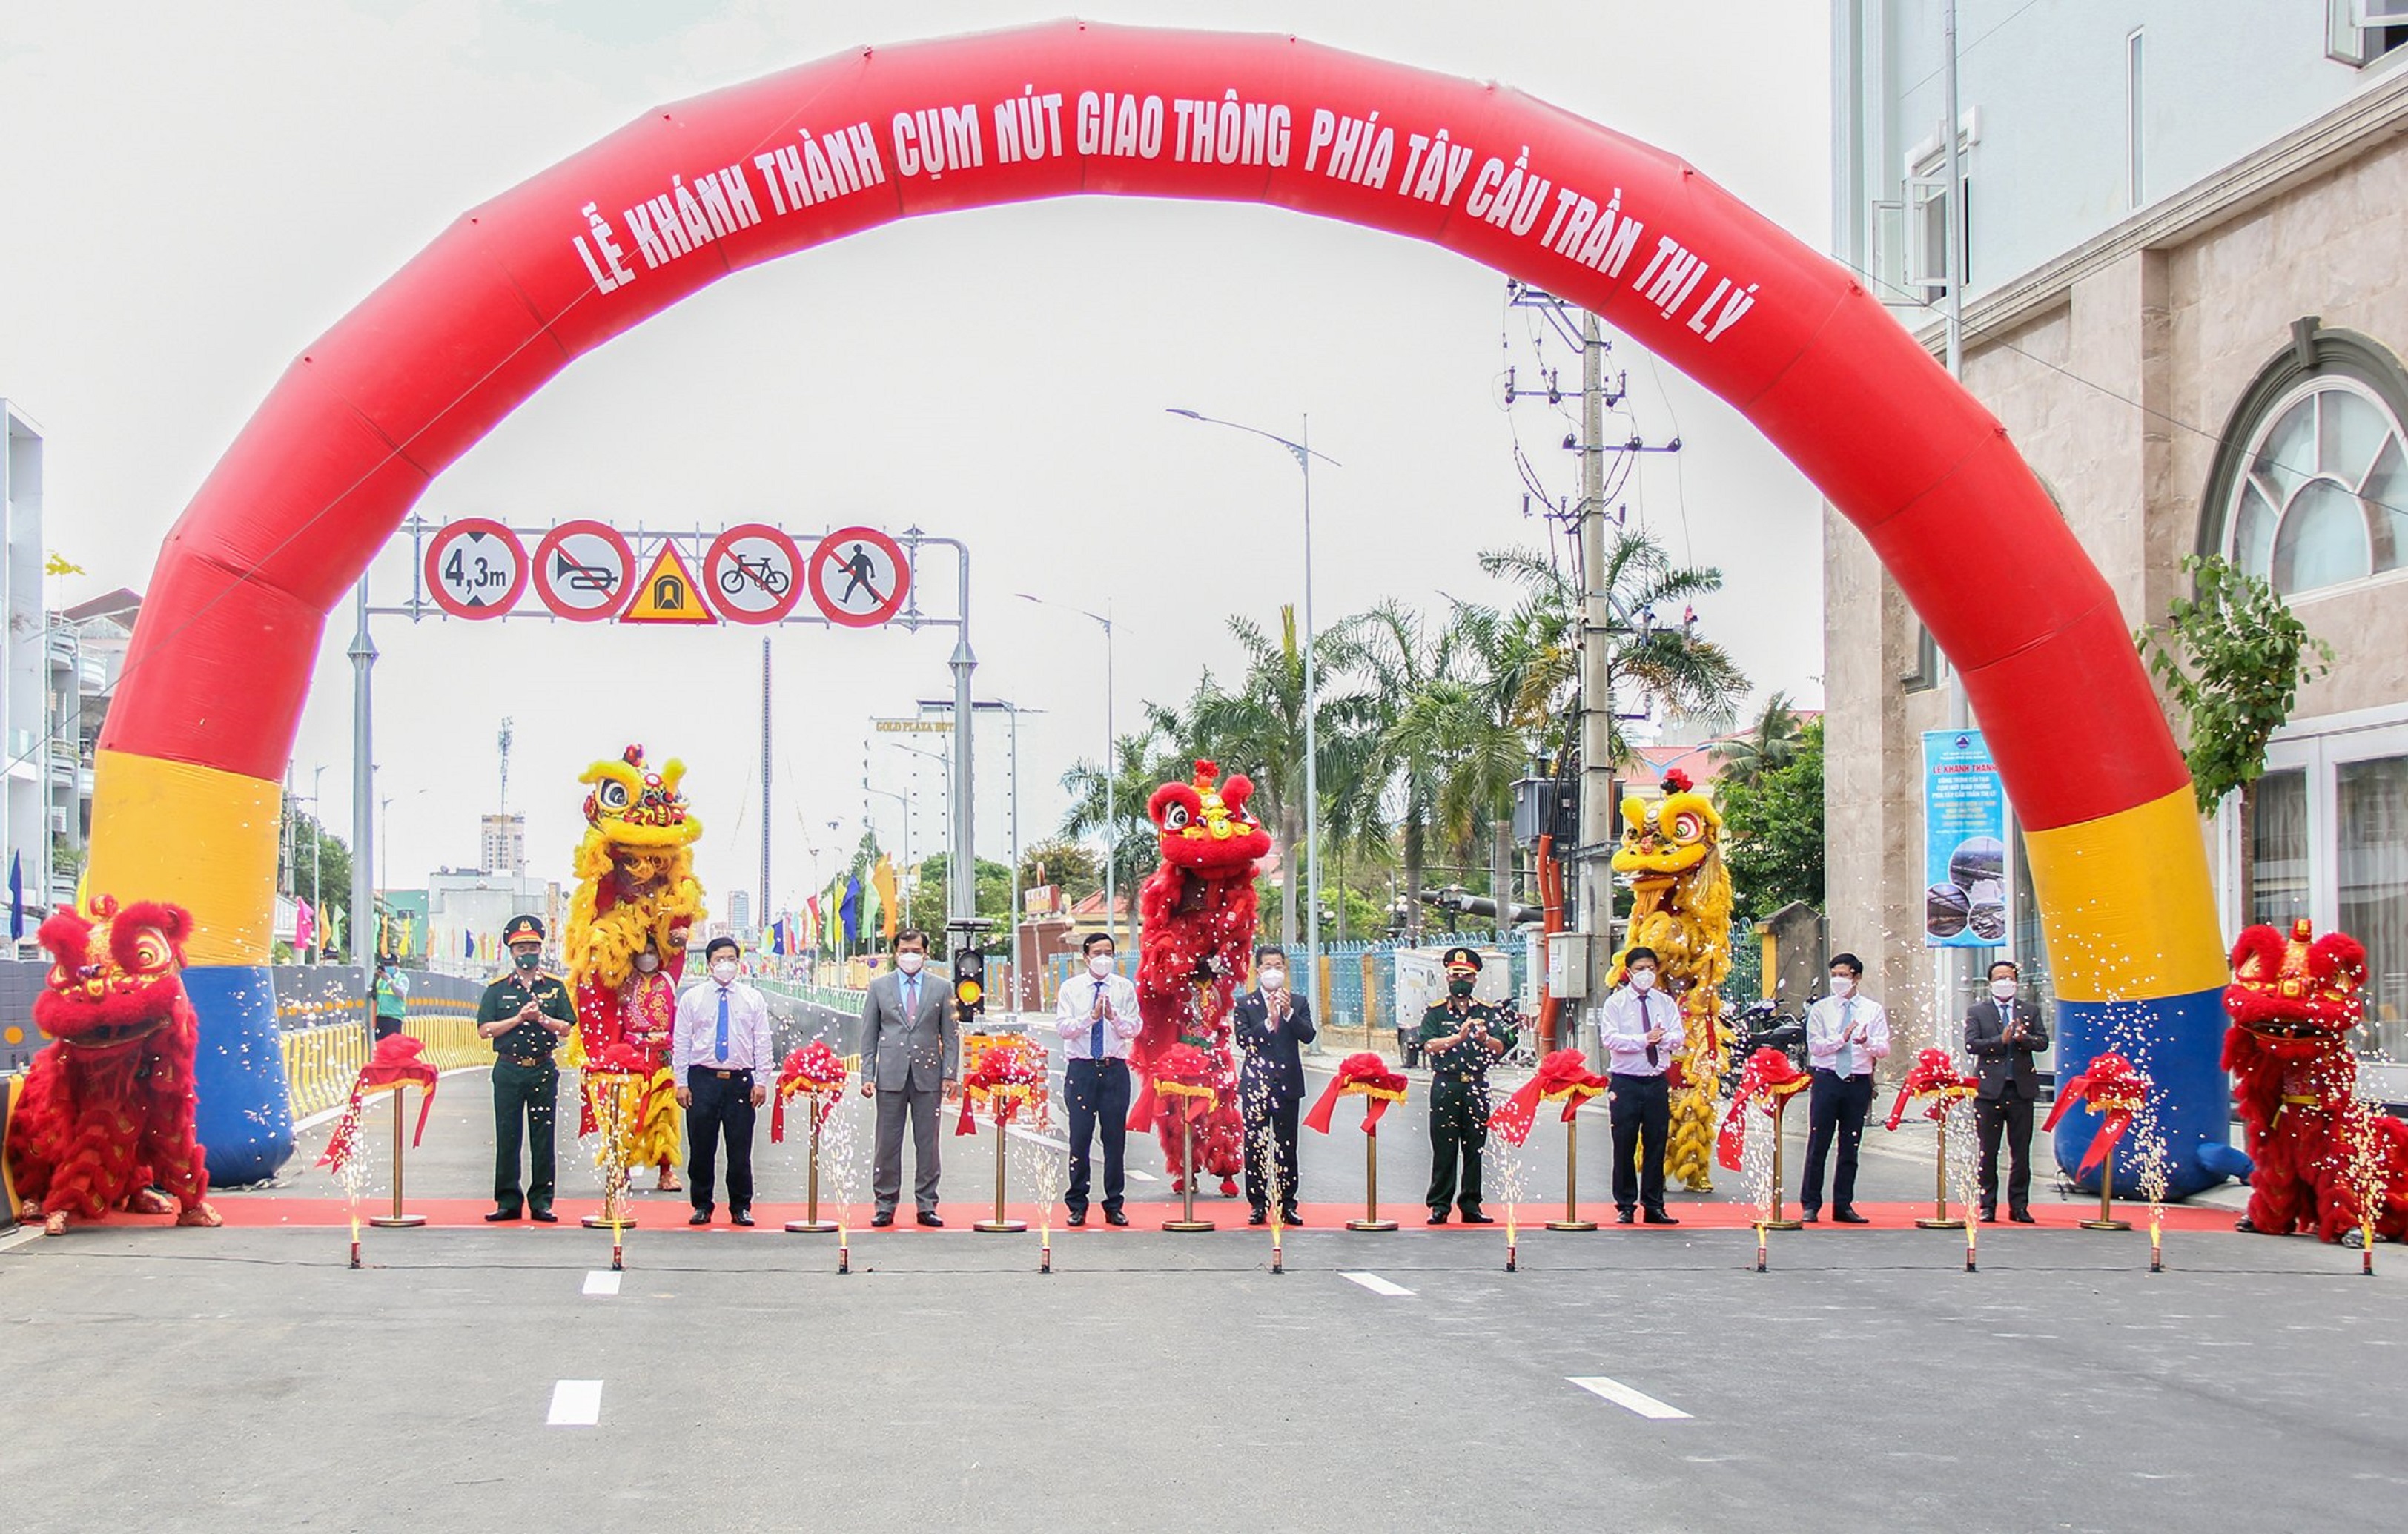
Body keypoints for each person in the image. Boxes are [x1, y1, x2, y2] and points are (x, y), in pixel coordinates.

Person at [477, 915, 575, 1223]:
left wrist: (541, 1019)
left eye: (532, 946)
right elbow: (485, 1029)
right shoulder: (496, 990)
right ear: (511, 952)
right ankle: (507, 1200)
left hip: (542, 1068)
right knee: (508, 1135)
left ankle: (542, 1201)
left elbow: (566, 1028)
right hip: (508, 1069)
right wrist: (519, 1019)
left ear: (540, 949)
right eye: (521, 948)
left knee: (543, 1136)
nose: (527, 953)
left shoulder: (555, 989)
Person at [859, 928, 957, 1227]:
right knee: (887, 1143)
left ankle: (927, 1204)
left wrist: (950, 1074)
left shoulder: (942, 987)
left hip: (928, 1075)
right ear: (896, 953)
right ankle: (885, 1205)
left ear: (926, 954)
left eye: (916, 951)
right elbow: (869, 1034)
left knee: (928, 1144)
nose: (910, 956)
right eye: (904, 951)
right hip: (890, 1075)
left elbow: (950, 1035)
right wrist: (867, 1073)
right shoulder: (879, 987)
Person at [672, 936, 773, 1225]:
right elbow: (681, 1042)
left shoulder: (753, 998)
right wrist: (682, 1082)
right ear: (709, 964)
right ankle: (702, 1204)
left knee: (739, 1149)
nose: (725, 965)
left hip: (740, 1080)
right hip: (703, 1078)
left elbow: (762, 1041)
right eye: (720, 960)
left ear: (739, 963)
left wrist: (761, 1080)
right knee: (702, 1147)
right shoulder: (693, 998)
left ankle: (740, 1206)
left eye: (731, 959)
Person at [1415, 948, 1513, 1226]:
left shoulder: (1486, 1011)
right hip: (1447, 1085)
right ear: (1447, 977)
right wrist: (1457, 1038)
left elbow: (1500, 1047)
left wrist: (1483, 1039)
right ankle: (1439, 1205)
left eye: (1466, 975)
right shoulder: (1435, 1012)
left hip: (1477, 1086)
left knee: (1475, 1147)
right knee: (1444, 1147)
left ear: (1475, 979)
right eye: (1455, 974)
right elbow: (1429, 1045)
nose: (1460, 979)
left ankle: (1471, 1204)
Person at [1054, 933, 1140, 1228]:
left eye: (1108, 952)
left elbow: (1134, 1028)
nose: (1103, 958)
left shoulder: (1124, 988)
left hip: (1114, 1069)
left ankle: (1114, 1204)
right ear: (1086, 957)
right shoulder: (1071, 988)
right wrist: (1091, 1018)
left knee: (1114, 1139)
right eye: (1097, 953)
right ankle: (1077, 1203)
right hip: (1082, 1070)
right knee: (1080, 1137)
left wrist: (1113, 1017)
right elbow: (1064, 1028)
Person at [1800, 951, 1891, 1223]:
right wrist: (1842, 1038)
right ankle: (1811, 1203)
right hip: (1827, 1079)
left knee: (1850, 1145)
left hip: (1857, 1082)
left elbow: (1884, 1048)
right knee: (1819, 1143)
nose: (1839, 980)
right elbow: (1815, 1046)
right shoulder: (1822, 1009)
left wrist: (1865, 1042)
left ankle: (1843, 1204)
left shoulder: (1871, 1010)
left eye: (1845, 975)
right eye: (1835, 975)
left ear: (1857, 977)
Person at [1234, 943, 1316, 1226]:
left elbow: (1308, 1036)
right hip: (1256, 1084)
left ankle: (1287, 1203)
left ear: (1285, 969)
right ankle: (1258, 1203)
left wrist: (1288, 1014)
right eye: (1268, 967)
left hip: (1287, 1085)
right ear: (1258, 971)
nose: (1273, 972)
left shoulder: (1298, 1001)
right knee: (1256, 1145)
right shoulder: (1246, 1004)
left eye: (1278, 967)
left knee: (1286, 1146)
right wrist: (1268, 1022)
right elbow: (1243, 1040)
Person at [1598, 945, 1681, 1226]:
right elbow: (1611, 1039)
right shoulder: (1616, 1004)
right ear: (1628, 973)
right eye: (1639, 969)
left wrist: (1663, 1039)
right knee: (1624, 1143)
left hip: (1656, 1081)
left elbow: (1677, 1036)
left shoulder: (1665, 1002)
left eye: (1650, 969)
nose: (1646, 974)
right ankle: (1625, 1204)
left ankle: (1654, 1204)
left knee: (1656, 1143)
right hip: (1626, 1082)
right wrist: (1644, 1039)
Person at [1965, 958, 2050, 1223]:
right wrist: (1998, 1042)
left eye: (2009, 978)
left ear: (2016, 981)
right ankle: (1987, 1205)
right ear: (1990, 983)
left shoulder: (2029, 1010)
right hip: (1990, 1091)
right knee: (1988, 1151)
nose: (2005, 982)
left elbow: (2043, 1042)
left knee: (2021, 1152)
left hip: (2021, 1090)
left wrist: (2024, 1038)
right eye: (1999, 978)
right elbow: (1972, 1044)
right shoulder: (1978, 1011)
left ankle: (2019, 1205)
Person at [620, 937, 683, 1193]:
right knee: (626, 1114)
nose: (647, 957)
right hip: (630, 1057)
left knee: (664, 1115)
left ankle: (666, 1172)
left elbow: (679, 948)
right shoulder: (622, 981)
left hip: (661, 1057)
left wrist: (679, 937)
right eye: (641, 953)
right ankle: (620, 1171)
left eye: (652, 952)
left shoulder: (668, 978)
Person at [372, 954, 408, 1041]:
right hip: (380, 1018)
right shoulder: (380, 979)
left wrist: (390, 981)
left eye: (390, 964)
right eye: (385, 964)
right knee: (380, 1048)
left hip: (394, 1019)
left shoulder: (402, 979)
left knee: (391, 1048)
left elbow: (401, 994)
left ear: (396, 966)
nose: (387, 967)